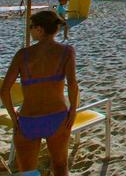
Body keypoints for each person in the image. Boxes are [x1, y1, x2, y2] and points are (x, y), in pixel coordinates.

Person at [1, 10, 78, 176]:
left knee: (28, 172)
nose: (29, 29)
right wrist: (73, 110)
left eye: (31, 26)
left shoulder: (23, 55)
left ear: (40, 29)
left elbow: (4, 90)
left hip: (29, 119)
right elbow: (72, 85)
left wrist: (14, 117)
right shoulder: (66, 52)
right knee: (59, 166)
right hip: (57, 117)